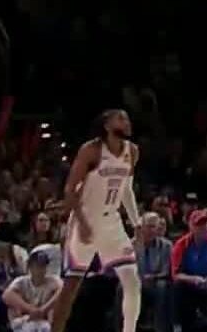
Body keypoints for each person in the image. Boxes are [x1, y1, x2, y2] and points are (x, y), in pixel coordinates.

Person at [51, 110, 143, 332]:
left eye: (128, 118)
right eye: (121, 118)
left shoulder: (132, 151)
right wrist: (82, 224)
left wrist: (136, 223)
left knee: (132, 281)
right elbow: (70, 190)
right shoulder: (91, 150)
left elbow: (126, 190)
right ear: (106, 125)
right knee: (72, 285)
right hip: (86, 218)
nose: (127, 122)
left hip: (112, 221)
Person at [4, 251, 65, 332]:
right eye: (37, 266)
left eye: (43, 266)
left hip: (45, 322)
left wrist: (44, 309)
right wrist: (30, 309)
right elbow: (6, 295)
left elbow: (63, 291)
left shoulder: (53, 280)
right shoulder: (22, 281)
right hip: (25, 320)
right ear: (30, 267)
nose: (41, 270)